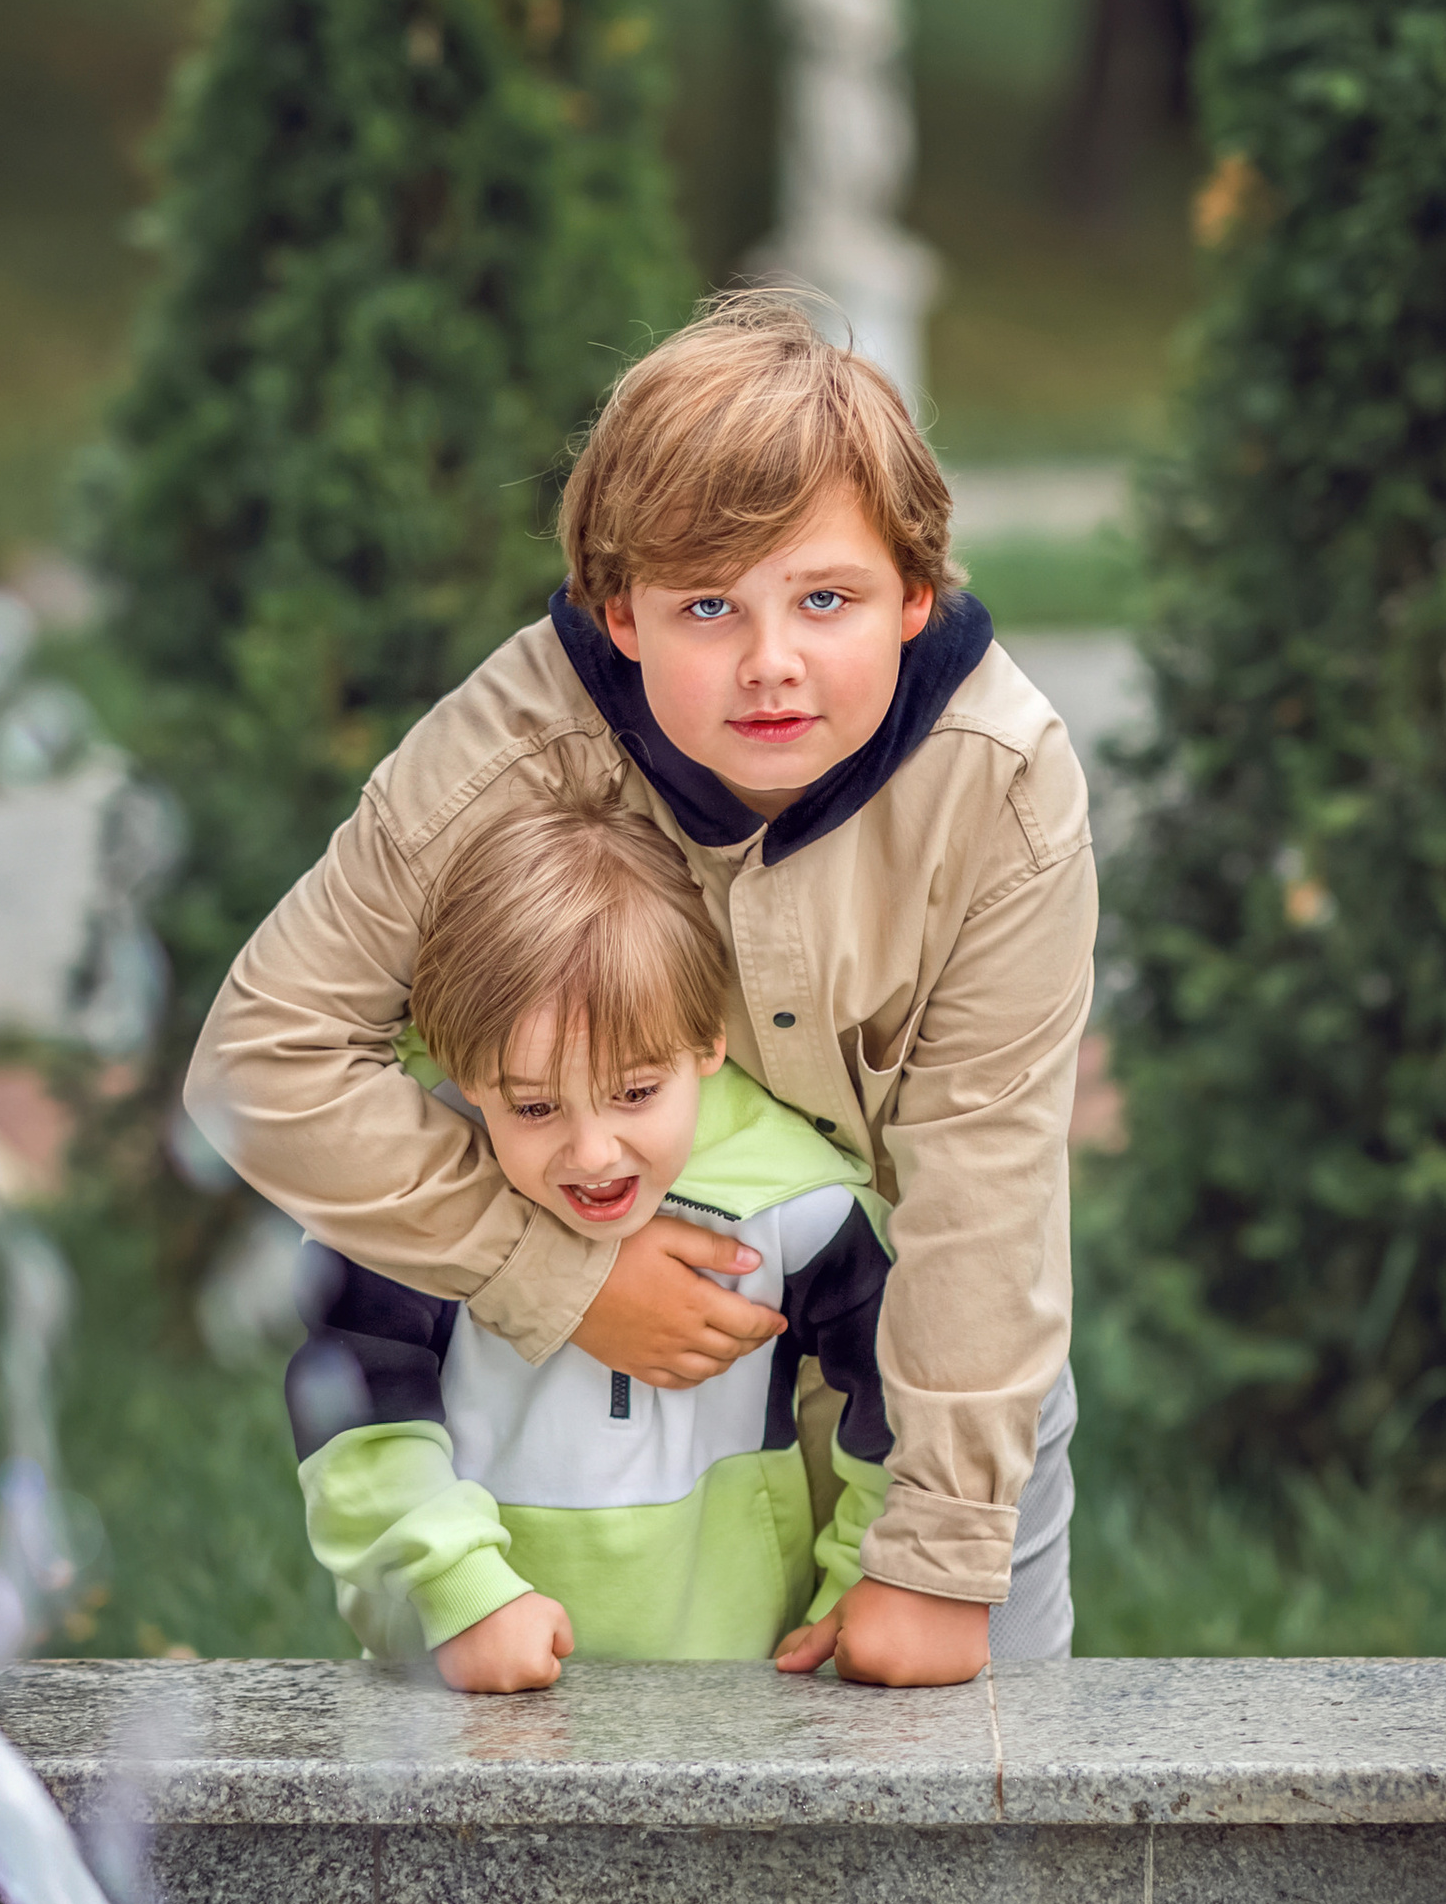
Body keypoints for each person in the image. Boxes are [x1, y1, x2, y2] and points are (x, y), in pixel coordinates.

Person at [188, 290, 1090, 1684]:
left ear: (916, 596)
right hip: (573, 1388)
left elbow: (988, 1177)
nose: (771, 663)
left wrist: (937, 1548)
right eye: (707, 606)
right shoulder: (503, 753)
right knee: (564, 1758)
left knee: (963, 1745)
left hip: (934, 1385)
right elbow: (261, 1063)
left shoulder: (1007, 782)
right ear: (620, 611)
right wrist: (558, 1272)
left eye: (828, 599)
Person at [286, 802, 897, 1690]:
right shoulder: (411, 1200)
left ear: (708, 1040)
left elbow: (900, 1409)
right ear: (464, 1071)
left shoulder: (798, 1205)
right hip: (470, 1693)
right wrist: (459, 1595)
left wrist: (858, 1586)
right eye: (535, 1106)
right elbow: (356, 1421)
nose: (594, 1151)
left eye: (635, 1092)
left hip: (737, 1691)